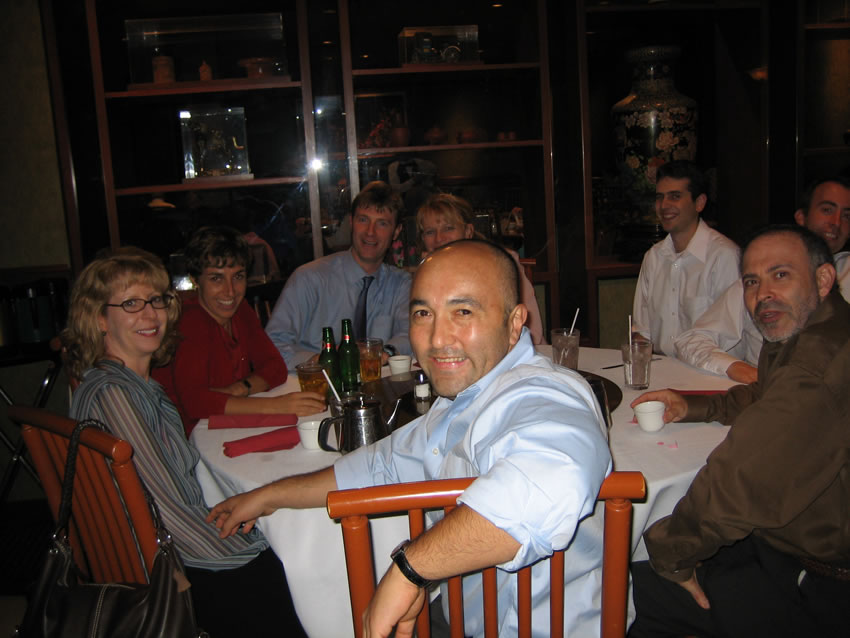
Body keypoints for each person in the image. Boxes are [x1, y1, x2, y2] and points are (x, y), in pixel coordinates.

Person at [208, 240, 612, 637]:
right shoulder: (459, 403)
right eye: (423, 313)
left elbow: (549, 479)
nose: (437, 339)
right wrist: (270, 495)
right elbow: (378, 465)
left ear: (514, 323)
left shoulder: (545, 393)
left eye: (463, 311)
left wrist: (410, 569)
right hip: (467, 620)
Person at [64, 247, 306, 637]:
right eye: (130, 303)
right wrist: (239, 549)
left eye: (156, 300)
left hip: (166, 553)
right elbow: (164, 506)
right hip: (172, 573)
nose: (150, 314)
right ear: (99, 319)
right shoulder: (115, 395)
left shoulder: (132, 385)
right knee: (295, 565)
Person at [628, 225, 850, 638]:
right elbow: (768, 397)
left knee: (625, 594)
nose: (763, 294)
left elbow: (741, 480)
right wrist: (696, 405)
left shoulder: (818, 362)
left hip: (821, 585)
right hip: (785, 548)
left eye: (780, 275)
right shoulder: (818, 333)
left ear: (823, 279)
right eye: (751, 281)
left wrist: (672, 554)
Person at [674, 175, 850, 383]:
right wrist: (742, 371)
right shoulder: (761, 276)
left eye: (847, 215)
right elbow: (692, 341)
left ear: (825, 279)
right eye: (827, 210)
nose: (836, 223)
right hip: (762, 390)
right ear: (802, 217)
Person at [152, 226, 325, 436]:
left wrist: (238, 390)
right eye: (216, 278)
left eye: (238, 276)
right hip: (187, 437)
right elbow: (196, 403)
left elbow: (275, 367)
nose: (230, 291)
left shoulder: (241, 310)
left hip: (228, 425)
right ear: (196, 280)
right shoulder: (190, 321)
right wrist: (278, 405)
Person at [265, 180, 412, 367]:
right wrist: (318, 360)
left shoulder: (401, 283)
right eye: (363, 220)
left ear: (396, 231)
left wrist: (385, 352)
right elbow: (272, 343)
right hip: (314, 379)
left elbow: (412, 333)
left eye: (382, 223)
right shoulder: (309, 278)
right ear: (351, 222)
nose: (370, 232)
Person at [631, 160, 740, 356]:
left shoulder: (723, 256)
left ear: (699, 203)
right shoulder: (653, 257)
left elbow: (728, 337)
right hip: (662, 368)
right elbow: (642, 332)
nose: (664, 205)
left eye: (675, 196)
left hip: (708, 370)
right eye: (659, 197)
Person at [415, 193, 546, 344]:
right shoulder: (425, 276)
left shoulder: (502, 263)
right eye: (430, 232)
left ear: (468, 231)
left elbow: (532, 331)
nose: (439, 238)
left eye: (448, 228)